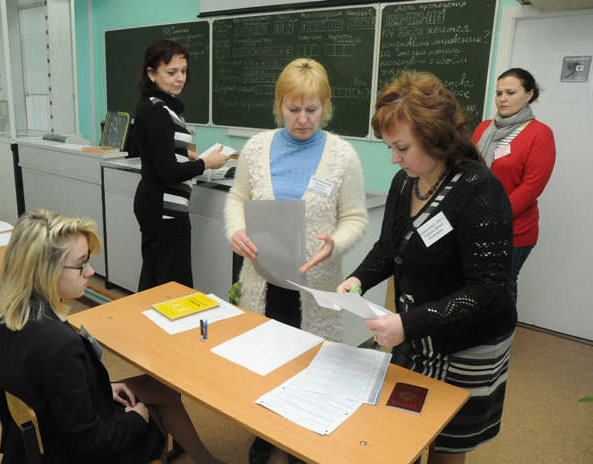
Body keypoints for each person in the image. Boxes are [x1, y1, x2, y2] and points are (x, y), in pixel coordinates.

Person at [338, 71, 517, 464]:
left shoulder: (479, 190)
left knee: (447, 445)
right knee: (406, 431)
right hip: (419, 334)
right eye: (389, 147)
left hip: (468, 342)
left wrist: (407, 324)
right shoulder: (406, 182)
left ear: (434, 136)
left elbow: (489, 290)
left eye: (401, 147)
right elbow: (389, 248)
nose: (394, 158)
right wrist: (357, 279)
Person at [0, 210, 223, 464]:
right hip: (71, 452)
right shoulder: (59, 345)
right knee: (152, 416)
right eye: (81, 263)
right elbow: (90, 443)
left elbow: (38, 389)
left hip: (34, 439)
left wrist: (97, 387)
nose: (90, 271)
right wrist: (136, 419)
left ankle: (207, 460)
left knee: (160, 389)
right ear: (45, 269)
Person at [224, 58, 368, 464]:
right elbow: (237, 199)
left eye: (312, 109)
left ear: (326, 107)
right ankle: (265, 432)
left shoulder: (343, 157)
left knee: (311, 363)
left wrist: (335, 243)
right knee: (265, 359)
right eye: (293, 109)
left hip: (315, 285)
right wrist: (235, 231)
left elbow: (355, 218)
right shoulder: (256, 149)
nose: (302, 119)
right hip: (263, 280)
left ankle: (300, 439)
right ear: (279, 105)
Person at [132, 39, 228, 292]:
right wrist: (206, 163)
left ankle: (146, 328)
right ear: (151, 73)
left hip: (160, 205)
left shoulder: (161, 107)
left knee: (158, 275)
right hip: (163, 208)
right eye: (171, 72)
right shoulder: (157, 111)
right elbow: (166, 171)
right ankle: (160, 330)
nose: (180, 78)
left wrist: (188, 156)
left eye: (183, 71)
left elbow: (162, 154)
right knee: (171, 283)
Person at [473, 67, 555, 305]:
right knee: (476, 283)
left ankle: (502, 338)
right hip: (475, 224)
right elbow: (469, 170)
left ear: (529, 94)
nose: (503, 98)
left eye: (510, 92)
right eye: (498, 93)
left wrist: (494, 216)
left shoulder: (540, 134)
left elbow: (531, 187)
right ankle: (479, 336)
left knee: (503, 284)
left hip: (513, 229)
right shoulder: (483, 128)